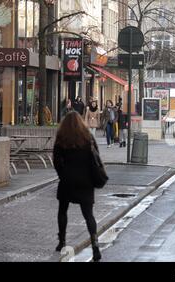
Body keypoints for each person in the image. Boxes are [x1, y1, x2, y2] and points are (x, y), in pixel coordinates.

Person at [53, 111, 101, 262]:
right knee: (88, 215)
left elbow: (56, 160)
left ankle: (62, 241)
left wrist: (62, 174)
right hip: (86, 182)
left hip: (67, 180)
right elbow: (96, 157)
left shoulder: (62, 138)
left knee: (62, 210)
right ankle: (95, 246)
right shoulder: (88, 137)